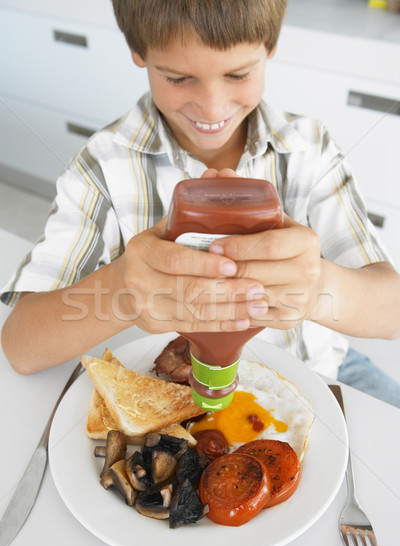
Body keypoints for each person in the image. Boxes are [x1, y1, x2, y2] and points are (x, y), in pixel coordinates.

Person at [1, 0, 400, 406]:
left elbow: (391, 312)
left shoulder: (309, 149)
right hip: (174, 380)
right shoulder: (103, 165)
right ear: (139, 53)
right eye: (178, 78)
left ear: (270, 46)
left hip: (320, 368)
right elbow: (21, 346)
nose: (212, 108)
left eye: (238, 73)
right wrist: (120, 290)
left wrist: (320, 288)